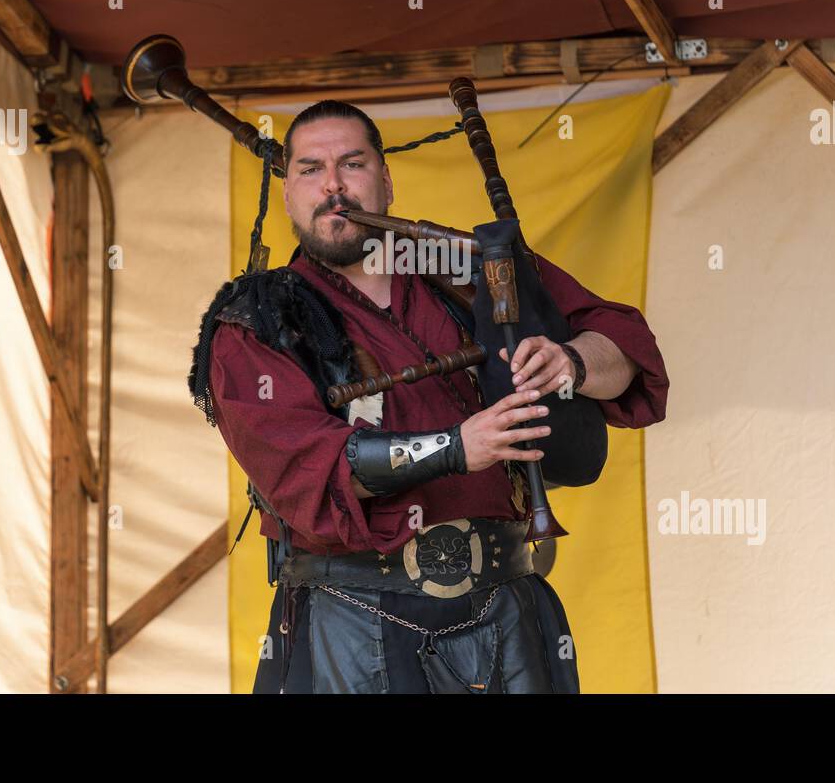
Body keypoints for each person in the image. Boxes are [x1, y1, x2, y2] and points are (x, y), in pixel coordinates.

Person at [189, 100, 669, 693]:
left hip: (505, 610)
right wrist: (458, 447)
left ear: (386, 179)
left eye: (353, 164)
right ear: (289, 194)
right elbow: (307, 469)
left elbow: (626, 348)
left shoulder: (469, 269)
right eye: (310, 170)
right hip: (352, 621)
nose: (334, 185)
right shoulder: (255, 324)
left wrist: (570, 362)